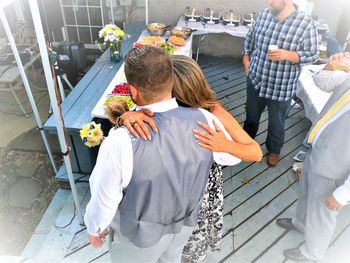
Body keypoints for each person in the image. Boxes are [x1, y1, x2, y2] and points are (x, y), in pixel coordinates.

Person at [84, 46, 242, 263]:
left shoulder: (120, 141)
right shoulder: (205, 119)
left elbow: (104, 199)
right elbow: (232, 157)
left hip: (138, 238)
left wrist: (95, 228)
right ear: (170, 80)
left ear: (134, 91)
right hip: (183, 225)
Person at [117, 55, 262, 262]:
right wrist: (126, 117)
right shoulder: (156, 109)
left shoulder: (213, 112)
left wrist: (224, 144)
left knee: (184, 241)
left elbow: (255, 152)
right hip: (162, 185)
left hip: (196, 186)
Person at [276, 52, 350, 261]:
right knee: (306, 192)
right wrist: (330, 66)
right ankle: (300, 223)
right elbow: (323, 83)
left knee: (322, 213)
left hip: (336, 166)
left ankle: (312, 253)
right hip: (317, 150)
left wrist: (343, 194)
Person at [242, 0, 318, 167]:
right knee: (251, 118)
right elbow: (250, 39)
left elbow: (313, 54)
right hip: (256, 81)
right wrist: (246, 58)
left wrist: (289, 55)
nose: (269, 2)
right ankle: (246, 144)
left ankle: (274, 150)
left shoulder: (305, 23)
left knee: (276, 123)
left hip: (281, 88)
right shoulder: (263, 14)